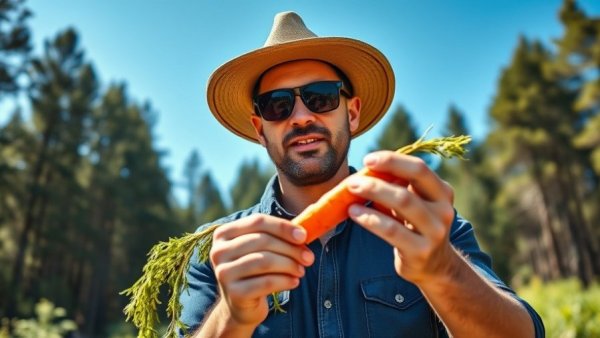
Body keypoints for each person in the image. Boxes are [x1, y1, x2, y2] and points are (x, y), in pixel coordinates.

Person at [179, 11, 544, 338]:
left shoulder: (424, 227)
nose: (302, 116)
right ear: (260, 129)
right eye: (278, 105)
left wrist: (442, 271)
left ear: (351, 113)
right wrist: (231, 316)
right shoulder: (217, 251)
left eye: (320, 97)